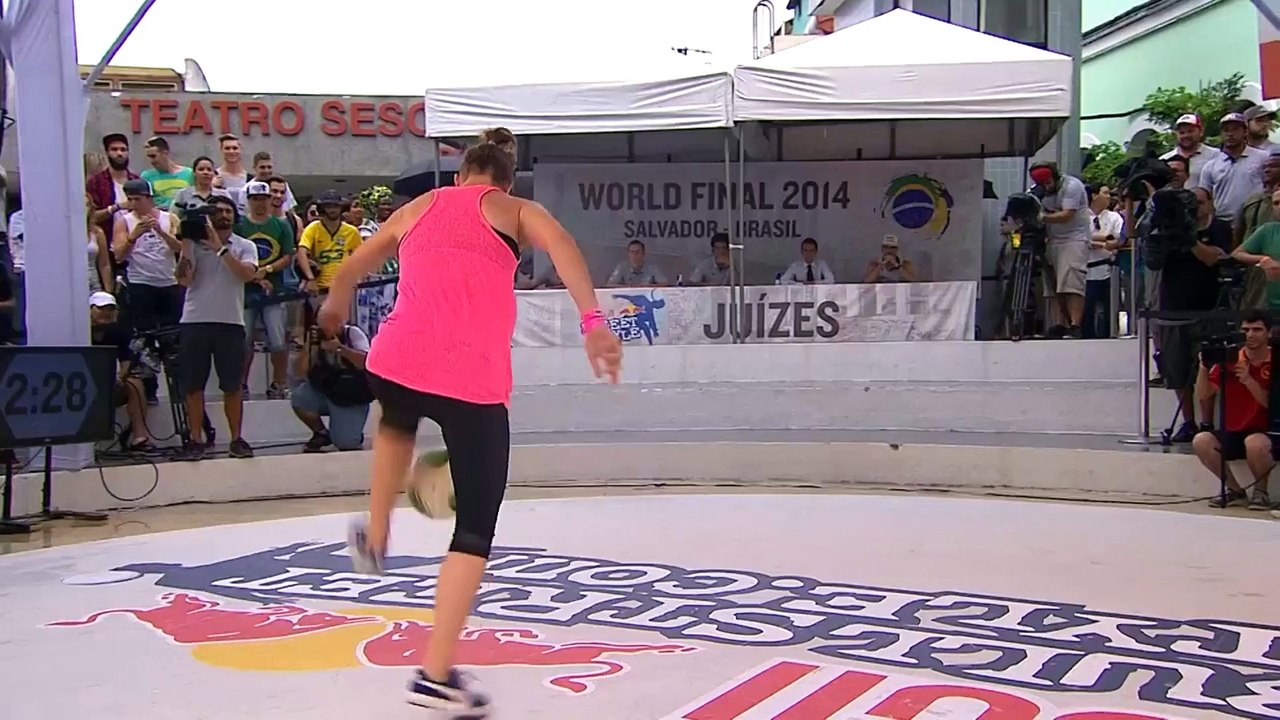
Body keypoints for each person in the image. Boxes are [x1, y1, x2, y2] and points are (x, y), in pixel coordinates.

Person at [317, 127, 622, 714]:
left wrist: (336, 298)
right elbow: (563, 249)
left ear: (460, 179)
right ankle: (434, 675)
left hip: (397, 358)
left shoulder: (420, 205)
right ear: (503, 184)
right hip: (469, 380)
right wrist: (593, 325)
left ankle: (376, 530)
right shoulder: (517, 209)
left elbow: (353, 265)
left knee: (397, 420)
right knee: (474, 528)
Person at [174, 194, 260, 460]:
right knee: (193, 385)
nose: (223, 215)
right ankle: (196, 439)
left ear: (235, 215)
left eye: (227, 211)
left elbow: (247, 274)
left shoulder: (245, 246)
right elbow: (184, 280)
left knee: (232, 384)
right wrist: (187, 245)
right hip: (194, 320)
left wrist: (220, 248)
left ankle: (236, 438)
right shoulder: (196, 246)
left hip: (230, 322)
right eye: (217, 211)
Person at [1191, 312, 1277, 510]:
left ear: (1269, 333)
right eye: (1245, 330)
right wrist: (1204, 366)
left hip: (1267, 429)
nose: (1250, 335)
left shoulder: (1275, 361)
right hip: (1234, 429)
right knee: (1201, 441)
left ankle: (1261, 492)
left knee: (1255, 443)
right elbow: (1204, 394)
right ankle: (1235, 490)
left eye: (1257, 330)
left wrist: (1249, 380)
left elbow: (1271, 405)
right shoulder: (1231, 358)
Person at [1030, 161, 1091, 338]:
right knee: (1054, 286)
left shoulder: (1072, 186)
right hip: (1053, 240)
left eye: (1048, 182)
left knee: (1071, 282)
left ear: (1055, 177)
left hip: (1074, 238)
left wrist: (1041, 218)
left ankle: (1075, 325)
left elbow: (1067, 214)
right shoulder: (1039, 191)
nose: (1046, 186)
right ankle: (1060, 323)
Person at [291, 320, 372, 452]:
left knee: (346, 444)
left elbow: (367, 363)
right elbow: (298, 372)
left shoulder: (352, 334)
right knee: (300, 397)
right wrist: (308, 347)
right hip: (326, 390)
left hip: (351, 395)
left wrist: (339, 348)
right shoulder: (314, 339)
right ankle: (321, 433)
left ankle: (351, 431)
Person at [88, 292, 151, 451]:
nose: (106, 312)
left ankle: (140, 437)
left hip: (112, 384)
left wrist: (120, 377)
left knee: (135, 384)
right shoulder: (80, 333)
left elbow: (126, 360)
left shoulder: (119, 332)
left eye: (110, 309)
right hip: (86, 384)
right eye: (101, 308)